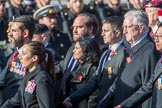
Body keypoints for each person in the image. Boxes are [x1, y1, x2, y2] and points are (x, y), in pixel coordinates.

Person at [97, 10, 161, 108]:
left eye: (128, 27)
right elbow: (119, 81)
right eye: (123, 27)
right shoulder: (129, 49)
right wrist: (105, 101)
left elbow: (149, 88)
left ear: (141, 28)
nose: (125, 31)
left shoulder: (150, 50)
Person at [62, 16, 128, 108]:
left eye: (106, 31)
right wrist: (72, 98)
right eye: (102, 30)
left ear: (117, 33)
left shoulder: (124, 53)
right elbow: (95, 80)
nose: (102, 34)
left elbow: (119, 83)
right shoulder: (105, 53)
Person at [55, 12, 106, 108]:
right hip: (65, 100)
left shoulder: (100, 50)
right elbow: (64, 67)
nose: (74, 31)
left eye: (79, 27)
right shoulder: (72, 47)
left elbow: (94, 86)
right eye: (73, 27)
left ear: (90, 29)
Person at [114, 21, 162, 108]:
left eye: (160, 36)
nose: (156, 39)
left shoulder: (150, 51)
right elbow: (147, 87)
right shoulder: (160, 63)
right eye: (156, 36)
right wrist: (124, 105)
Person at [1, 41, 55, 108]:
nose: (19, 57)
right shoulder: (28, 76)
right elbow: (14, 101)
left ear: (34, 58)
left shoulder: (42, 79)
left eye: (23, 54)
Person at [0, 15, 35, 105]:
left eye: (14, 31)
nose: (10, 34)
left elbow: (29, 90)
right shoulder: (15, 54)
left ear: (25, 33)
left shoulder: (34, 57)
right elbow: (2, 79)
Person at [64, 37, 101, 108]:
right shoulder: (78, 66)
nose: (73, 51)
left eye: (77, 48)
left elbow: (93, 96)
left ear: (86, 50)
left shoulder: (93, 68)